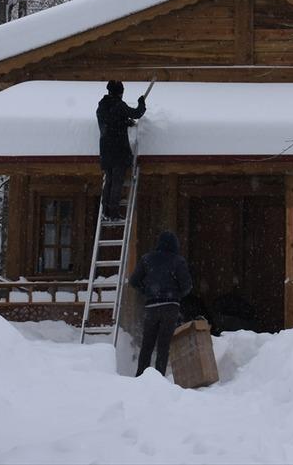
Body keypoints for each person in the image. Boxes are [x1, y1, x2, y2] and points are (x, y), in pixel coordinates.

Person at [129, 231, 192, 377]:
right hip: (171, 307)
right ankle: (159, 378)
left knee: (147, 345)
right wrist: (177, 295)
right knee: (163, 346)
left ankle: (140, 376)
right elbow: (187, 286)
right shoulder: (178, 261)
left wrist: (146, 291)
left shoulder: (147, 259)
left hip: (152, 306)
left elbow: (133, 281)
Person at [96, 80, 146, 221]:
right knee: (117, 182)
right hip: (118, 149)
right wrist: (141, 103)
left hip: (105, 149)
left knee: (109, 181)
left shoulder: (101, 106)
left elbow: (111, 122)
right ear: (119, 93)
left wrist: (124, 122)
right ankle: (113, 213)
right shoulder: (119, 105)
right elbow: (136, 113)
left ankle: (105, 211)